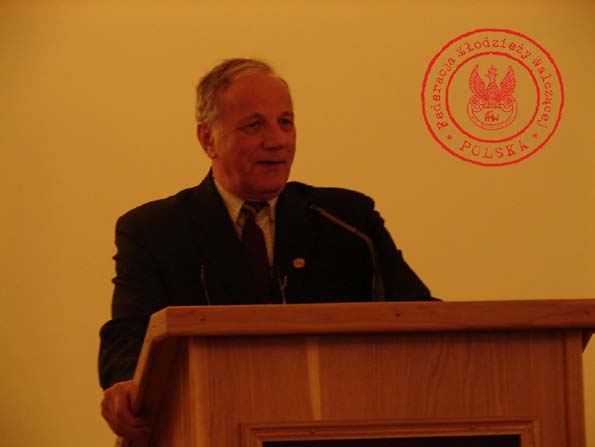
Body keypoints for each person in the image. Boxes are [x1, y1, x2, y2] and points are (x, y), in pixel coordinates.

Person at [98, 58, 434, 440]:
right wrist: (127, 383)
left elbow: (421, 316)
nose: (277, 140)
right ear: (208, 139)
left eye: (285, 122)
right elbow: (128, 335)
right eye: (255, 125)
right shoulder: (155, 230)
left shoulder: (348, 221)